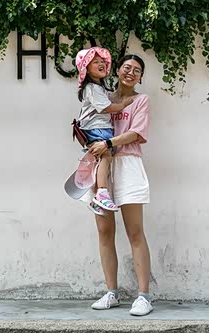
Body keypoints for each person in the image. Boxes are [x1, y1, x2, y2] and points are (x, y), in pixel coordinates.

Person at [87, 54, 154, 317]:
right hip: (102, 165)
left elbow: (136, 133)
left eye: (137, 70)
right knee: (104, 231)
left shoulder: (140, 100)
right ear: (118, 70)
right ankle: (112, 293)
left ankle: (144, 296)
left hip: (128, 165)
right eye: (127, 67)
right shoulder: (102, 97)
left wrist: (109, 143)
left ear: (140, 77)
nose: (130, 72)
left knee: (135, 232)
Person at [74, 47, 134, 215]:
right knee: (106, 156)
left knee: (100, 160)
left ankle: (96, 199)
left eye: (102, 61)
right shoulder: (92, 88)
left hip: (96, 128)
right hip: (97, 128)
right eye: (95, 62)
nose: (101, 64)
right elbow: (107, 107)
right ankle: (101, 193)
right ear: (86, 69)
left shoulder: (98, 88)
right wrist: (122, 105)